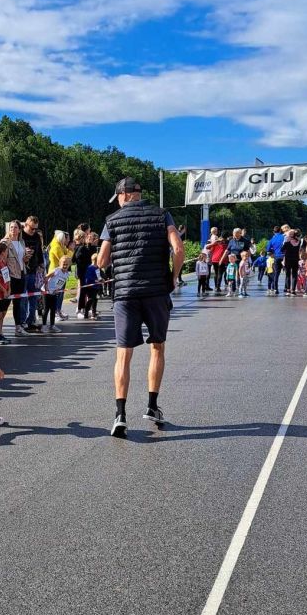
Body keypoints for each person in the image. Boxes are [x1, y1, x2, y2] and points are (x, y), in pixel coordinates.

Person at [97, 177, 184, 437]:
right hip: (156, 291)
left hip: (125, 293)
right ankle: (152, 406)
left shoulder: (111, 220)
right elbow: (178, 249)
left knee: (123, 354)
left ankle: (120, 414)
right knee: (157, 348)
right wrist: (174, 276)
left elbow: (102, 261)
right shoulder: (162, 215)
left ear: (123, 195)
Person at [2, 220, 27, 337]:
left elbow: (22, 258)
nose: (13, 229)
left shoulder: (22, 242)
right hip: (11, 275)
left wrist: (26, 258)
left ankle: (18, 326)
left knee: (18, 301)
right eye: (11, 227)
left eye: (15, 227)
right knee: (6, 303)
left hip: (21, 273)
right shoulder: (5, 242)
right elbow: (3, 260)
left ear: (19, 229)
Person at [21, 216, 44, 332]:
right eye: (31, 228)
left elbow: (39, 251)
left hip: (34, 270)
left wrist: (41, 264)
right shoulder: (20, 236)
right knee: (23, 297)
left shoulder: (36, 237)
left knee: (33, 296)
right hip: (23, 270)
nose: (34, 231)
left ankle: (31, 321)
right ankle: (23, 322)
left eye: (35, 228)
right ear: (25, 225)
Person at [266, 225, 287, 294]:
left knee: (276, 274)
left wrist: (273, 249)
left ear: (273, 232)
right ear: (280, 231)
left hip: (277, 257)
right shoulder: (284, 237)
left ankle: (275, 289)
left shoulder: (272, 239)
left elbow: (268, 249)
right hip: (285, 257)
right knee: (287, 273)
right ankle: (286, 288)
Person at [282, 229, 300, 296]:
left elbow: (282, 249)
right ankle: (293, 290)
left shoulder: (287, 242)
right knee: (294, 275)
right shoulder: (298, 241)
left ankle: (288, 290)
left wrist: (285, 242)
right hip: (295, 259)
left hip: (288, 260)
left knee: (287, 275)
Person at [84, 253, 102, 318]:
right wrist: (95, 280)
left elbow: (98, 276)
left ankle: (93, 312)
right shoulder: (90, 268)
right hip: (91, 287)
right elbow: (88, 278)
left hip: (96, 286)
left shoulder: (97, 268)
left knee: (95, 299)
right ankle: (86, 312)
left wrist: (101, 279)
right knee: (91, 299)